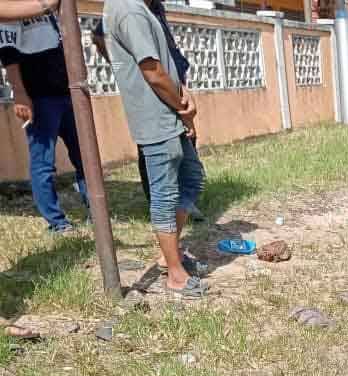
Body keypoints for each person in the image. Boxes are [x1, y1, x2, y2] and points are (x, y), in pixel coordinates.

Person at [103, 0, 206, 298]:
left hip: (168, 112)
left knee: (192, 178)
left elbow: (165, 64)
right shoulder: (129, 9)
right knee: (165, 192)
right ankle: (175, 274)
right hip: (155, 117)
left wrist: (183, 98)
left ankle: (167, 255)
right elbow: (152, 71)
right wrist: (183, 108)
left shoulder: (142, 7)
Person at [92, 0, 203, 221]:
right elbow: (101, 38)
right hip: (156, 96)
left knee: (190, 172)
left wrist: (180, 92)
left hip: (172, 86)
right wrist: (124, 69)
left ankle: (176, 209)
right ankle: (163, 211)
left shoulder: (154, 6)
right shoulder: (127, 9)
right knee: (161, 169)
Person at [0, 8, 89, 234]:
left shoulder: (48, 10)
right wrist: (20, 93)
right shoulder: (12, 9)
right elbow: (9, 55)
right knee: (44, 163)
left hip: (67, 93)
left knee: (85, 157)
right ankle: (57, 223)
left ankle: (95, 211)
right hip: (39, 98)